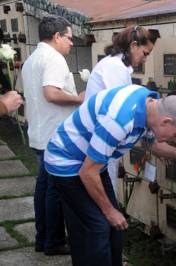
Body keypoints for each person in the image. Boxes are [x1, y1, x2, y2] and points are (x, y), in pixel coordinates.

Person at [44, 84, 176, 266]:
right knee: (97, 227)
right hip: (67, 162)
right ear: (166, 121)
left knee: (114, 226)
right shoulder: (119, 121)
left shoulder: (149, 106)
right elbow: (87, 172)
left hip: (93, 164)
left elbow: (152, 144)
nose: (175, 139)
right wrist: (109, 210)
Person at [21, 15, 85, 255]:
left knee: (44, 187)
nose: (71, 43)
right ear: (57, 36)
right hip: (53, 135)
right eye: (69, 38)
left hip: (39, 131)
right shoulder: (54, 58)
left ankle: (43, 238)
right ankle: (54, 241)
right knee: (56, 190)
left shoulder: (32, 58)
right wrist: (78, 98)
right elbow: (51, 93)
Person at [85, 25, 156, 193]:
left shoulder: (117, 65)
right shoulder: (115, 67)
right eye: (145, 54)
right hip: (99, 141)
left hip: (103, 139)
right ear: (133, 45)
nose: (145, 59)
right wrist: (150, 133)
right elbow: (121, 108)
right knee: (104, 197)